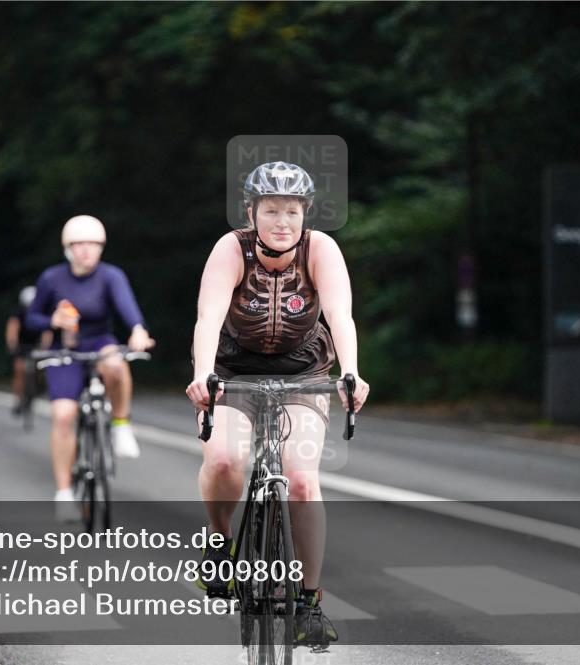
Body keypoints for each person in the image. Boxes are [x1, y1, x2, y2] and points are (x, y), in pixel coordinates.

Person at [185, 161, 370, 648]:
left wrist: (350, 372)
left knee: (303, 480)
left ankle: (309, 601)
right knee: (224, 459)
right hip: (233, 371)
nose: (282, 221)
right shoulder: (231, 248)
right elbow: (208, 317)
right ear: (252, 212)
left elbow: (340, 315)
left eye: (291, 211)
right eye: (271, 211)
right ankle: (220, 542)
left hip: (303, 374)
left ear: (305, 213)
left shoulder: (320, 249)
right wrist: (203, 373)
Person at [25, 215, 156, 515]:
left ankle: (121, 424)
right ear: (67, 248)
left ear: (101, 248)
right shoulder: (51, 278)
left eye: (93, 245)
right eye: (80, 244)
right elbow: (31, 319)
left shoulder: (111, 276)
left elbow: (130, 312)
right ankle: (64, 494)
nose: (87, 250)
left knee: (116, 365)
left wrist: (138, 330)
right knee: (62, 415)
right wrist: (52, 321)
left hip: (99, 341)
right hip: (65, 348)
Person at [6, 286, 50, 415]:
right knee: (19, 369)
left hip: (36, 345)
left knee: (43, 366)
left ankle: (41, 387)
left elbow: (46, 331)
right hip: (22, 345)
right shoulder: (18, 314)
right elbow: (12, 329)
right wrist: (12, 344)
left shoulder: (41, 313)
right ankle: (18, 398)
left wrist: (45, 346)